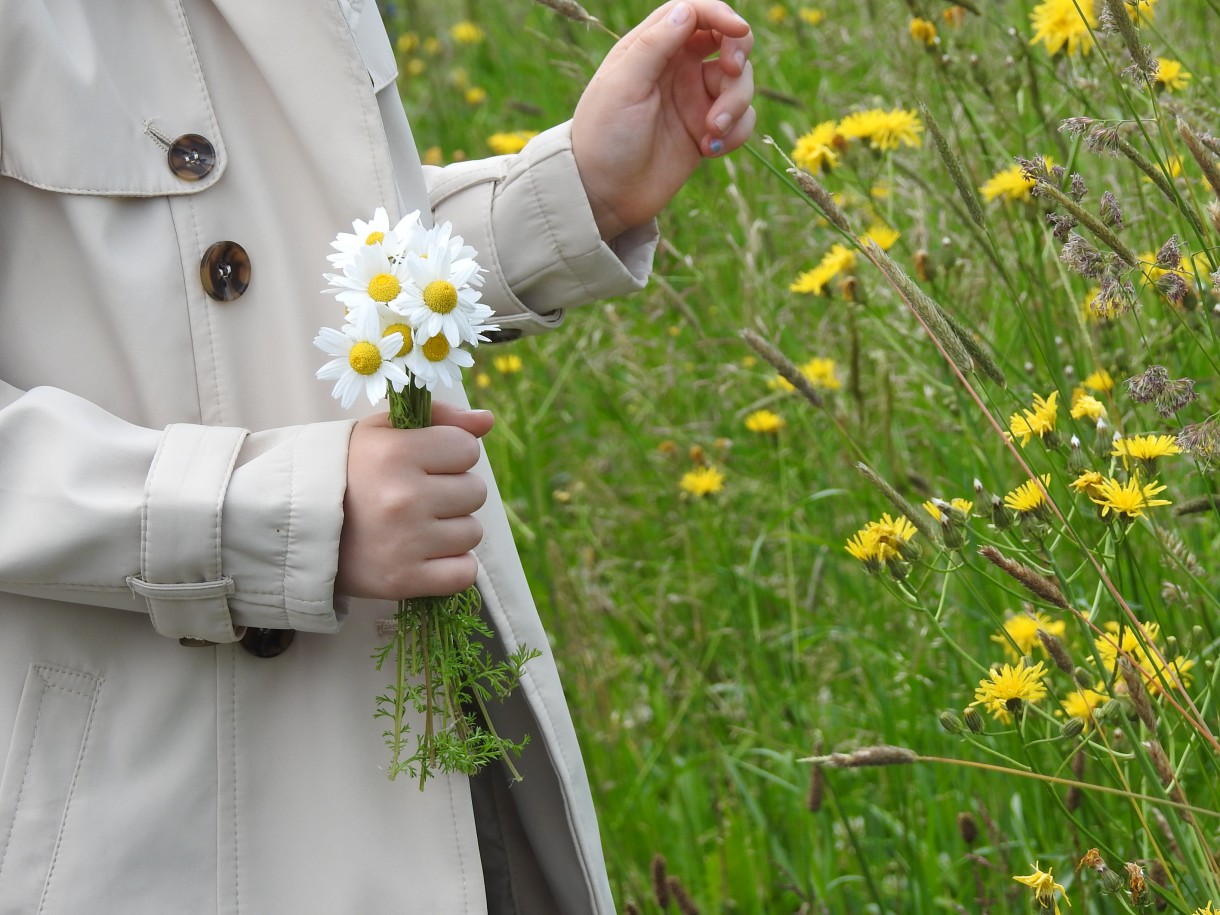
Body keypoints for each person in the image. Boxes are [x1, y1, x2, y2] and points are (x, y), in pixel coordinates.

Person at [0, 1, 754, 912]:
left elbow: (292, 251)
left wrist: (567, 200)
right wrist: (283, 513)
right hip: (156, 816)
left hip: (422, 764)